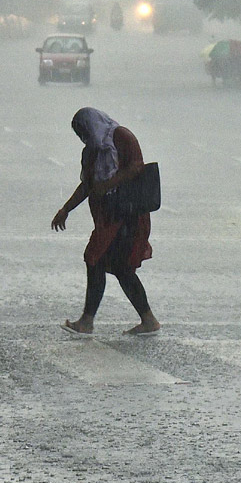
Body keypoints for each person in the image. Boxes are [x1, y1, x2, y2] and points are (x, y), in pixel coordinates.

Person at [51, 107, 160, 335]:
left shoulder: (121, 137)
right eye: (80, 134)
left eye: (85, 131)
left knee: (95, 259)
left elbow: (136, 166)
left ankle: (87, 321)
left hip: (126, 215)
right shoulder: (91, 151)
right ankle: (148, 320)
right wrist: (66, 209)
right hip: (107, 217)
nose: (84, 137)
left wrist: (109, 185)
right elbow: (88, 186)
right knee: (120, 268)